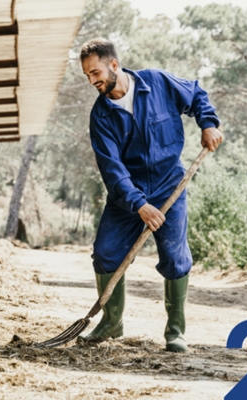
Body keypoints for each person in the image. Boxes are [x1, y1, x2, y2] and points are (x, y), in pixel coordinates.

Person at [79, 38, 223, 352]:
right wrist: (139, 205)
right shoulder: (101, 116)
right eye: (88, 76)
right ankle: (111, 323)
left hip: (170, 185)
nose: (92, 81)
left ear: (114, 64)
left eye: (96, 72)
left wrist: (208, 123)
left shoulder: (157, 83)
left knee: (174, 257)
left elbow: (196, 93)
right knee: (105, 253)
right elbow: (112, 169)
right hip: (127, 196)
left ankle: (175, 330)